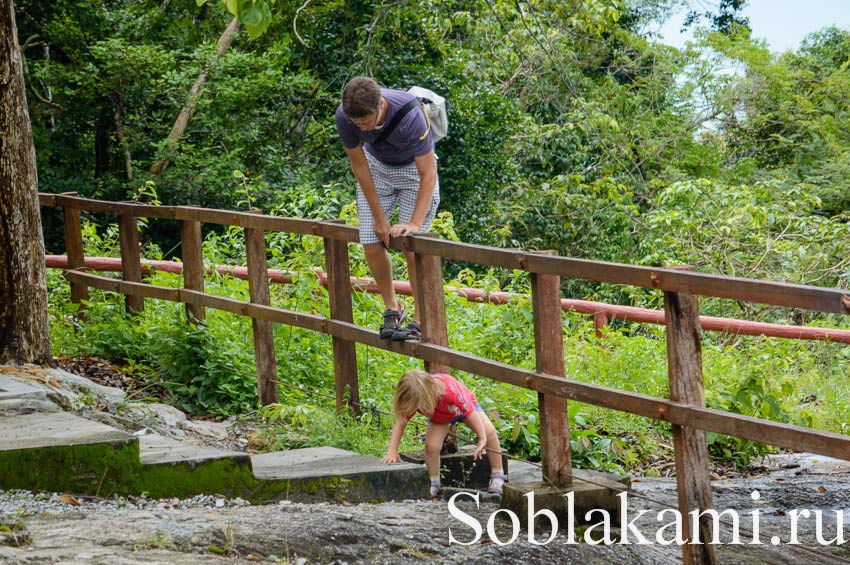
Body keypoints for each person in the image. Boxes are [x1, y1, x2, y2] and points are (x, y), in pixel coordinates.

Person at [335, 76, 440, 341]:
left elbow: (428, 174)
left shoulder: (410, 114)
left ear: (380, 104)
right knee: (370, 239)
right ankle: (393, 308)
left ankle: (421, 318)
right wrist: (379, 218)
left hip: (413, 172)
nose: (365, 129)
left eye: (367, 122)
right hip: (377, 168)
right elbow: (360, 166)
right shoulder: (345, 117)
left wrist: (415, 224)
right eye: (358, 125)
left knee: (410, 245)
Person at [380, 369, 507, 496]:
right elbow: (401, 421)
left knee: (489, 431)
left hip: (465, 409)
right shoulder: (414, 395)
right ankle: (434, 482)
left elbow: (470, 412)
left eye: (421, 405)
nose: (420, 409)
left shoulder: (450, 390)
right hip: (440, 417)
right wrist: (392, 449)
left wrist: (482, 437)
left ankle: (498, 473)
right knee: (431, 447)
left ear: (430, 392)